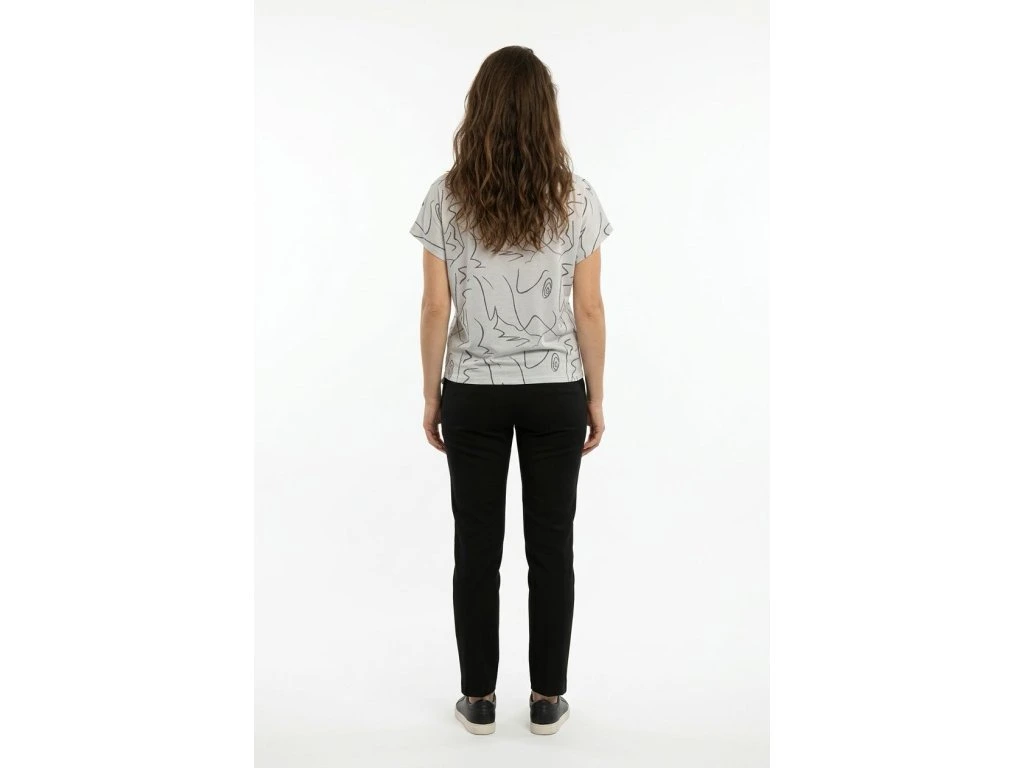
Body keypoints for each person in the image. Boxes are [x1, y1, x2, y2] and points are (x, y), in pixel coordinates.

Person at [410, 45, 612, 736]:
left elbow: (435, 307)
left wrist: (432, 395)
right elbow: (590, 308)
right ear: (546, 114)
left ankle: (479, 699)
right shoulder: (576, 196)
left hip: (473, 389)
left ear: (480, 109)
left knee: (477, 548)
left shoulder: (446, 195)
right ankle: (548, 699)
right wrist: (595, 397)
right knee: (552, 548)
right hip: (556, 391)